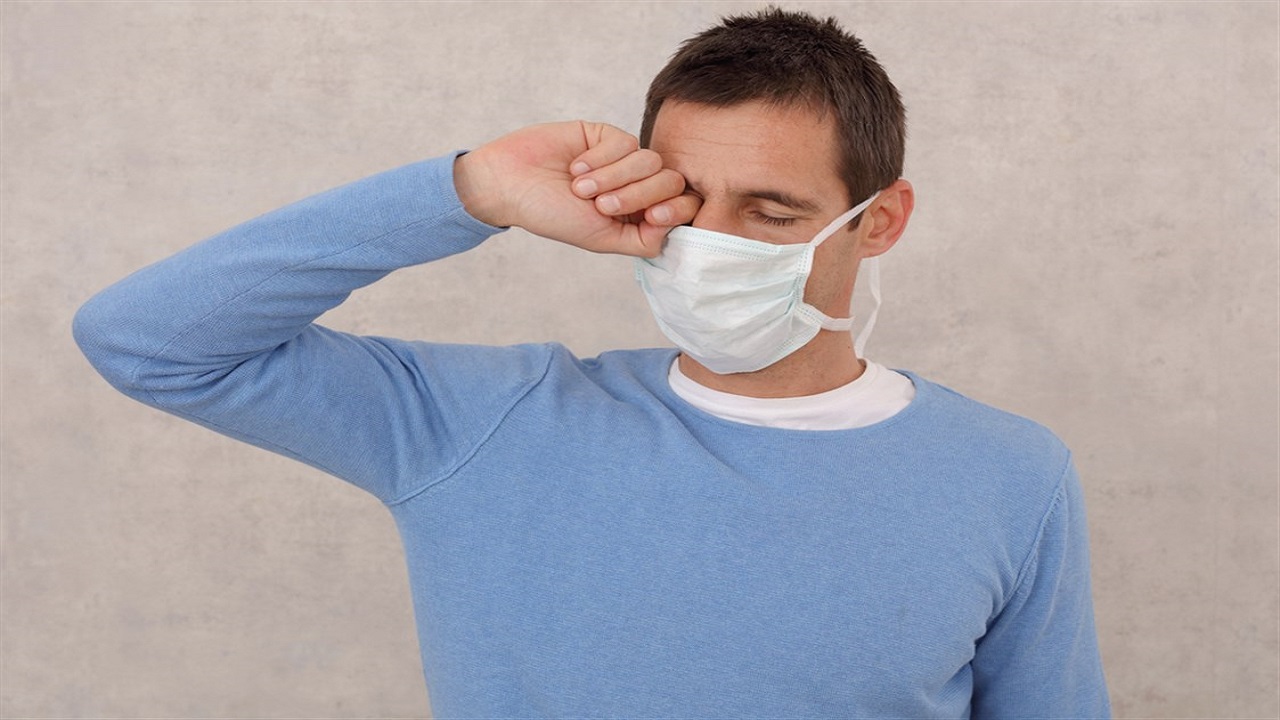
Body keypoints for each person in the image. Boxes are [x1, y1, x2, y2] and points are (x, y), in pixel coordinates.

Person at [74, 7, 1110, 717]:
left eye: (770, 212)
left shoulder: (1009, 474)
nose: (709, 242)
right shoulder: (486, 424)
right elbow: (149, 342)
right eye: (685, 198)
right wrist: (470, 191)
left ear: (877, 221)